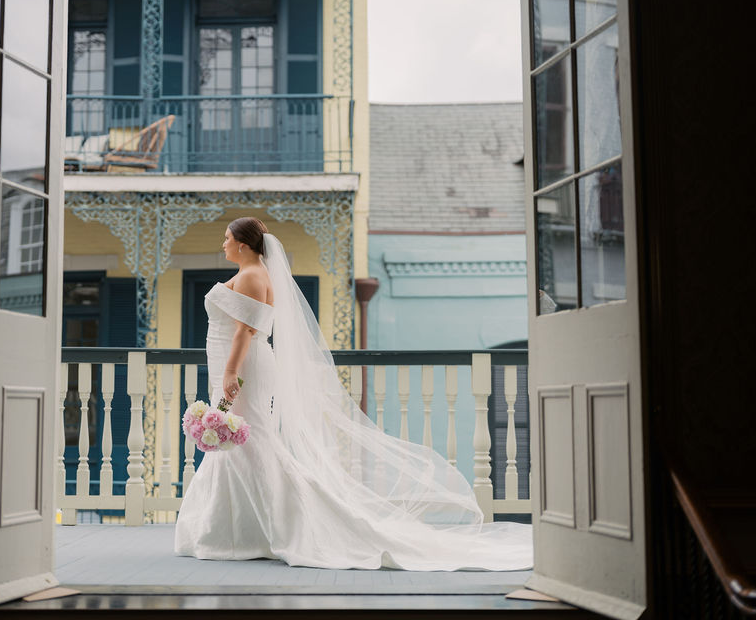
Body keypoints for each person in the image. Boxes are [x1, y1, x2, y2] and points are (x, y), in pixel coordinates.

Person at [174, 217, 532, 571]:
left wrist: (231, 372)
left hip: (244, 366)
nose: (222, 244)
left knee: (251, 442)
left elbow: (245, 331)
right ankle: (238, 528)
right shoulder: (252, 274)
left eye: (226, 238)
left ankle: (265, 526)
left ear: (243, 244)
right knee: (247, 443)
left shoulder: (252, 276)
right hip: (238, 365)